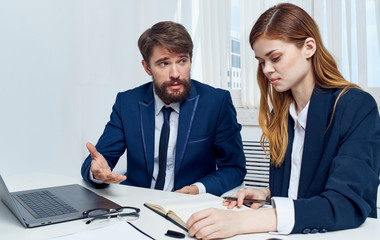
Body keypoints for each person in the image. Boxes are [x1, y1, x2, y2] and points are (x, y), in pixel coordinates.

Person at [186, 3, 380, 239]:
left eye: (275, 57)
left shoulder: (356, 106)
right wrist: (268, 194)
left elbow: (345, 204)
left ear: (309, 47)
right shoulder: (283, 113)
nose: (267, 69)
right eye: (261, 61)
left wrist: (243, 221)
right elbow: (308, 187)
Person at [80, 21, 246, 196]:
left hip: (190, 207)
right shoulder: (127, 103)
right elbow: (97, 161)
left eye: (182, 61)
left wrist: (198, 189)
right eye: (164, 63)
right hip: (138, 205)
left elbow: (234, 168)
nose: (175, 73)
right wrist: (97, 173)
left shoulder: (216, 103)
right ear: (147, 67)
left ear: (191, 59)